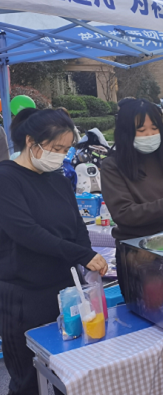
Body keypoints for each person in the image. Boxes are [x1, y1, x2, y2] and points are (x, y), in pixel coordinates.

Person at [0, 108, 108, 395]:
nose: (61, 155)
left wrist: (88, 259)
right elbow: (26, 232)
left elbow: (76, 225)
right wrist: (80, 255)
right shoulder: (6, 179)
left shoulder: (58, 178)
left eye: (66, 149)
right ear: (32, 142)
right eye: (56, 148)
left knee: (65, 372)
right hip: (24, 297)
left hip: (64, 291)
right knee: (29, 377)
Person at [101, 99, 163, 299]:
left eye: (155, 128)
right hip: (140, 255)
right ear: (127, 132)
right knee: (152, 313)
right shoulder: (113, 166)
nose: (150, 135)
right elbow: (124, 214)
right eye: (142, 130)